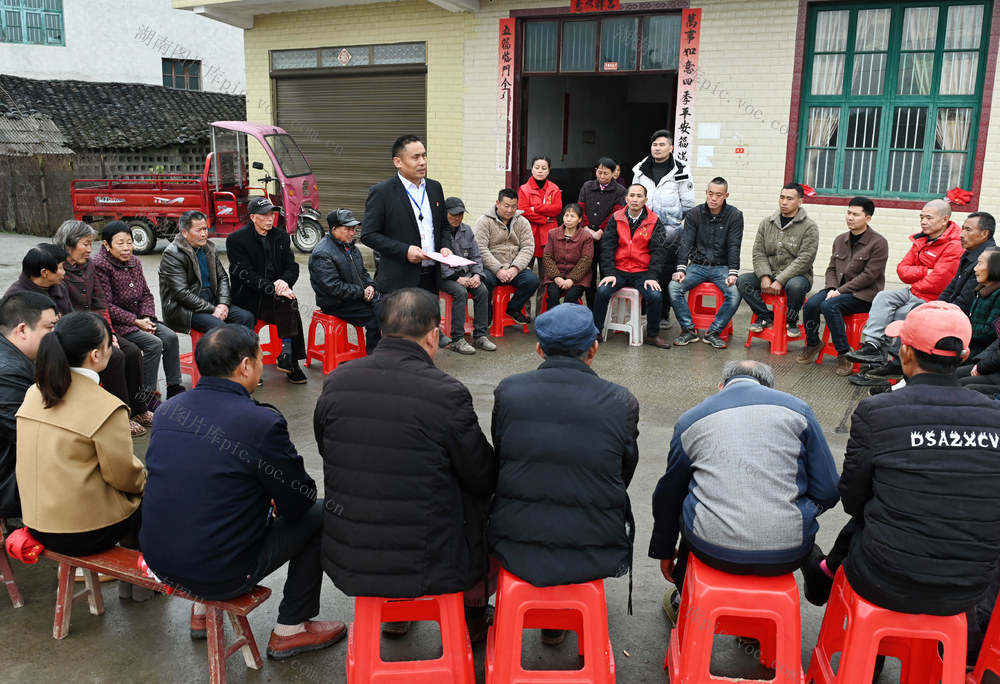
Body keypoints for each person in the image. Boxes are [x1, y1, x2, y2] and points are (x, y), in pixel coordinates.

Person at [140, 324, 347, 660]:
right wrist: (274, 498)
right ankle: (291, 628)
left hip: (161, 561)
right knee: (320, 513)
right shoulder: (259, 422)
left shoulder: (168, 410)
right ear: (246, 366)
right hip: (222, 573)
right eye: (262, 359)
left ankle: (200, 611)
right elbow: (300, 500)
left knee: (202, 502)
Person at [315, 288, 497, 641]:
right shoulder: (447, 392)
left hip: (352, 557)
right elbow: (481, 476)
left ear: (382, 330)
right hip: (430, 560)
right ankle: (473, 614)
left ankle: (395, 611)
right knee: (477, 499)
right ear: (433, 336)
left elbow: (327, 450)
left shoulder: (337, 380)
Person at [812, 302, 1000, 625]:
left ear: (906, 353)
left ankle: (827, 581)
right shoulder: (994, 417)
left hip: (884, 578)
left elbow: (853, 500)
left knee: (873, 515)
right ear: (965, 356)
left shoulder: (877, 412)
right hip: (968, 587)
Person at [489, 303, 637, 646]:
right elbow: (622, 473)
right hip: (594, 541)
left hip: (515, 538)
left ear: (539, 349)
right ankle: (558, 620)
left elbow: (502, 456)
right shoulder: (621, 401)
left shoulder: (508, 391)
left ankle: (540, 615)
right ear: (594, 348)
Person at [648, 360, 839, 620]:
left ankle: (684, 598)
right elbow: (828, 491)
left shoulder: (691, 420)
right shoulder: (798, 411)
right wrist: (796, 511)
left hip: (714, 551)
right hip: (789, 553)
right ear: (770, 388)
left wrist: (664, 551)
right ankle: (760, 625)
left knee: (689, 505)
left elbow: (669, 496)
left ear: (721, 387)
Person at [16, 311, 150, 600]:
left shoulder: (34, 392)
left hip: (37, 523)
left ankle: (135, 585)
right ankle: (143, 584)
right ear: (95, 355)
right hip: (83, 533)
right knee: (147, 497)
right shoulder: (105, 407)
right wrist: (146, 479)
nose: (114, 348)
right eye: (110, 343)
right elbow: (124, 476)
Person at [54, 221, 152, 436]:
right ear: (70, 244)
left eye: (91, 244)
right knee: (115, 356)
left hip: (97, 327)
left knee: (132, 351)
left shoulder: (88, 265)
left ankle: (140, 409)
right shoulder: (58, 270)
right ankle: (121, 415)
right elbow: (66, 314)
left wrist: (109, 333)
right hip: (75, 333)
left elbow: (100, 302)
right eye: (86, 244)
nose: (90, 249)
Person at [846, 199, 964, 368]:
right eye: (922, 217)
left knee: (896, 314)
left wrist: (916, 278)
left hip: (931, 298)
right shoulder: (921, 239)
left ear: (944, 219)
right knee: (883, 297)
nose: (923, 222)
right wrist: (924, 271)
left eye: (929, 218)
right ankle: (872, 347)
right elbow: (902, 270)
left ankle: (888, 365)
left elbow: (938, 282)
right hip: (913, 291)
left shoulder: (954, 246)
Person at [93, 221, 185, 406]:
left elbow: (146, 294)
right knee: (153, 344)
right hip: (119, 324)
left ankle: (174, 386)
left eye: (129, 242)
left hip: (141, 319)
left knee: (170, 337)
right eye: (120, 243)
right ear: (107, 245)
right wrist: (135, 321)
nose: (126, 248)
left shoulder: (135, 261)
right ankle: (147, 395)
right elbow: (106, 305)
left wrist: (146, 318)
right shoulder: (100, 265)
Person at [796, 197, 889, 374]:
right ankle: (813, 343)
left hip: (864, 295)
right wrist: (832, 288)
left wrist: (839, 291)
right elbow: (831, 269)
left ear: (868, 218)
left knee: (829, 306)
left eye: (856, 214)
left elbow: (869, 276)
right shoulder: (840, 239)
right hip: (838, 290)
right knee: (811, 304)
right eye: (848, 213)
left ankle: (844, 352)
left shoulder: (878, 243)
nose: (850, 217)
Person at [227, 196, 308, 384]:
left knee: (288, 300)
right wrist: (273, 288)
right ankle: (287, 359)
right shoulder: (237, 240)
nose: (270, 218)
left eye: (272, 214)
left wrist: (284, 282)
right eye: (265, 215)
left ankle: (287, 356)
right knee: (288, 302)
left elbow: (292, 266)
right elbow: (245, 275)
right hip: (250, 296)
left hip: (277, 294)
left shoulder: (281, 236)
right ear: (253, 217)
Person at [360, 134, 451, 298]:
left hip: (431, 278)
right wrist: (404, 251)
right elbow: (368, 235)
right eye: (416, 157)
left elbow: (444, 225)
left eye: (424, 155)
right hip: (398, 281)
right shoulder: (382, 192)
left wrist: (445, 246)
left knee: (429, 316)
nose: (422, 162)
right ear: (398, 162)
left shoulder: (434, 187)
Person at [591, 184, 671, 348]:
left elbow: (659, 251)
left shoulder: (654, 221)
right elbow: (607, 247)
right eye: (632, 195)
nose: (635, 199)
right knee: (602, 291)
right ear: (626, 198)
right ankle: (596, 332)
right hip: (618, 271)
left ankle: (652, 335)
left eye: (639, 196)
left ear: (645, 200)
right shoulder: (616, 218)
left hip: (642, 272)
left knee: (655, 296)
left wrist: (652, 276)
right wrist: (609, 272)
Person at [0, 292, 57, 520]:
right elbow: (31, 436)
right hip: (8, 483)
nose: (56, 335)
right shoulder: (8, 373)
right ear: (22, 330)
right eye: (50, 327)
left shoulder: (13, 357)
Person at [668, 177, 743, 349]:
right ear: (706, 193)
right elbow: (686, 242)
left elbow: (734, 244)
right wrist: (681, 269)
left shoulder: (735, 216)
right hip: (697, 266)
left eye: (718, 195)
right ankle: (688, 329)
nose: (713, 198)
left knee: (735, 293)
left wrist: (733, 272)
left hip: (722, 267)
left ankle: (714, 332)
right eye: (710, 193)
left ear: (726, 195)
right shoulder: (694, 214)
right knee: (674, 287)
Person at [737, 183, 820, 338]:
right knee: (743, 281)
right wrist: (764, 276)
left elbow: (805, 259)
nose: (784, 202)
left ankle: (791, 320)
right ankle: (765, 316)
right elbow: (759, 252)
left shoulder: (809, 227)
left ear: (800, 202)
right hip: (770, 272)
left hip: (798, 276)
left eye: (790, 199)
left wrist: (781, 280)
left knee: (795, 286)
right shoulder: (767, 223)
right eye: (782, 197)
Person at [633, 129, 697, 325]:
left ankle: (663, 312)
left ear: (671, 147)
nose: (657, 148)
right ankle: (644, 308)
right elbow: (635, 195)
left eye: (662, 144)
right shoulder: (640, 169)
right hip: (644, 229)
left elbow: (688, 204)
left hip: (671, 231)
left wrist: (674, 222)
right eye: (654, 145)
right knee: (644, 266)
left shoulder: (681, 169)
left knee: (667, 270)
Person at [159, 209, 256, 335]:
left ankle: (242, 348)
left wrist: (223, 303)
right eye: (199, 230)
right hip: (184, 308)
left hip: (211, 298)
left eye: (205, 229)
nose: (204, 234)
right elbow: (181, 293)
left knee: (246, 318)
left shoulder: (209, 248)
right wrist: (212, 310)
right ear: (184, 232)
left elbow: (222, 277)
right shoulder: (172, 254)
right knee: (220, 327)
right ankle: (226, 348)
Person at [308, 208, 381, 355]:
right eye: (347, 229)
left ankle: (385, 353)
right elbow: (334, 288)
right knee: (375, 317)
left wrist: (370, 285)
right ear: (334, 229)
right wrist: (361, 292)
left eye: (354, 228)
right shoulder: (322, 253)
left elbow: (363, 273)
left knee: (387, 306)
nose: (352, 233)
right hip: (336, 303)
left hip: (355, 297)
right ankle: (375, 358)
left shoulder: (351, 247)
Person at [438, 197, 495, 354]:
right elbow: (438, 263)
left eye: (460, 214)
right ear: (444, 214)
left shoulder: (467, 230)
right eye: (453, 214)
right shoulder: (438, 233)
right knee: (460, 292)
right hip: (445, 277)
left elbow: (476, 256)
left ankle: (480, 335)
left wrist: (477, 275)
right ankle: (457, 339)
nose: (457, 218)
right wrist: (457, 279)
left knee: (482, 290)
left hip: (467, 274)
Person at [475, 189, 539, 325]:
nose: (510, 210)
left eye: (514, 206)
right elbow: (480, 248)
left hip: (513, 268)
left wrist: (515, 268)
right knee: (485, 281)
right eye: (506, 206)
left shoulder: (523, 222)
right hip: (491, 269)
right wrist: (498, 269)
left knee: (532, 281)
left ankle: (513, 308)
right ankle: (487, 312)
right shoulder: (484, 221)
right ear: (498, 203)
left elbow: (528, 247)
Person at [578, 157, 627, 306]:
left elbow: (616, 213)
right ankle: (591, 308)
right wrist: (586, 228)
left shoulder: (620, 190)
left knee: (607, 274)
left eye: (606, 173)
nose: (602, 176)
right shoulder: (587, 186)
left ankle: (605, 308)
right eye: (599, 172)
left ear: (613, 173)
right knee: (589, 275)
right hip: (587, 237)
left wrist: (601, 231)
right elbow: (581, 208)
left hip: (608, 239)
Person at [518, 155, 562, 311]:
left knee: (546, 279)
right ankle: (524, 312)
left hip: (548, 238)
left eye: (544, 168)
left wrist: (535, 208)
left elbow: (557, 209)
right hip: (528, 236)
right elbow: (523, 211)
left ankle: (541, 313)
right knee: (524, 276)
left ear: (549, 171)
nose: (540, 171)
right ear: (532, 169)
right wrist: (545, 218)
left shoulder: (554, 189)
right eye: (537, 167)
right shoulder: (524, 189)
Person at [542, 204, 593, 311]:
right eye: (566, 215)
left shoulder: (586, 237)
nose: (568, 219)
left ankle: (568, 321)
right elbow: (547, 257)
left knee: (570, 298)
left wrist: (571, 279)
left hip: (578, 278)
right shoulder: (553, 233)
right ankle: (553, 320)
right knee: (553, 296)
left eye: (572, 216)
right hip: (555, 275)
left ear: (579, 219)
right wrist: (556, 277)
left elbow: (586, 260)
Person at [4, 243, 73, 316]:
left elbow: (71, 317)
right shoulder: (15, 297)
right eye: (60, 268)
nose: (64, 272)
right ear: (44, 272)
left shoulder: (61, 287)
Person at [964, 249, 1000, 360]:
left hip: (981, 355)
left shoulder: (998, 295)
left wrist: (963, 329)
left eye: (980, 264)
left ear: (995, 267)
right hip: (968, 347)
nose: (975, 268)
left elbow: (990, 332)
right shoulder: (981, 289)